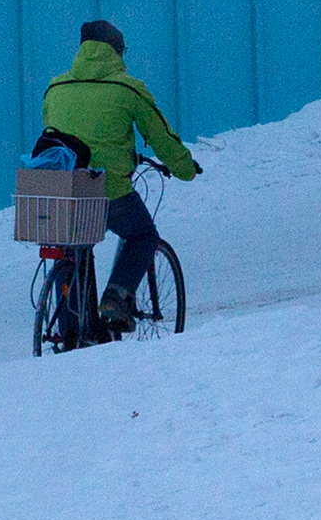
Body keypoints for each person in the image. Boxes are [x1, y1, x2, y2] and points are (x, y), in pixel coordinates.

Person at [37, 19, 199, 333]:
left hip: (60, 187)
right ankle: (116, 295)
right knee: (142, 236)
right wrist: (185, 168)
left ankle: (72, 334)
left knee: (72, 248)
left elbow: (58, 133)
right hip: (106, 187)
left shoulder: (56, 87)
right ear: (116, 51)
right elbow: (161, 136)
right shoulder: (127, 88)